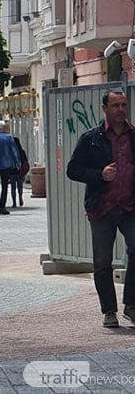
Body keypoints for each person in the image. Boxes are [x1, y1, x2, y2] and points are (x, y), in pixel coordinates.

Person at [67, 89, 135, 328]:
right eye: (115, 105)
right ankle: (109, 310)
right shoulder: (91, 138)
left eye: (124, 105)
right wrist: (100, 174)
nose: (120, 110)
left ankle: (131, 305)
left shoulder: (133, 136)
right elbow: (73, 170)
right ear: (105, 108)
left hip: (130, 207)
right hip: (102, 208)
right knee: (103, 262)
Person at [10, 136, 28, 208]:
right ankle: (20, 197)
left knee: (13, 187)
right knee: (20, 186)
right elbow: (25, 161)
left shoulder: (10, 152)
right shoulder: (22, 151)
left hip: (12, 171)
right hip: (20, 171)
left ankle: (14, 202)